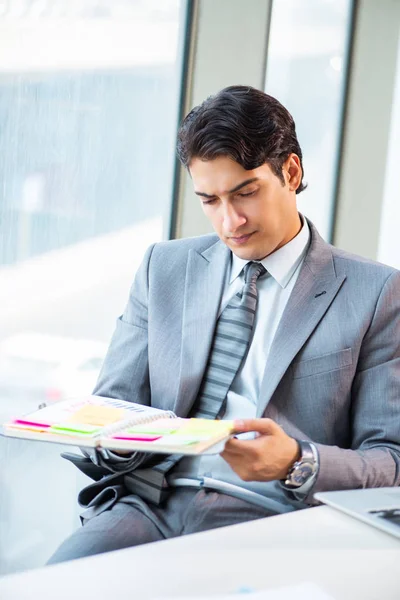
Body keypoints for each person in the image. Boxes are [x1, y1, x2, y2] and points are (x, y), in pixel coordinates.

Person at [48, 85, 400, 564]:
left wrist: (297, 461)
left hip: (274, 512)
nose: (229, 221)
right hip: (150, 504)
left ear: (291, 172)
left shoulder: (375, 292)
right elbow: (116, 406)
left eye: (245, 193)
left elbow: (391, 459)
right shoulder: (164, 268)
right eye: (209, 200)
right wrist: (107, 435)